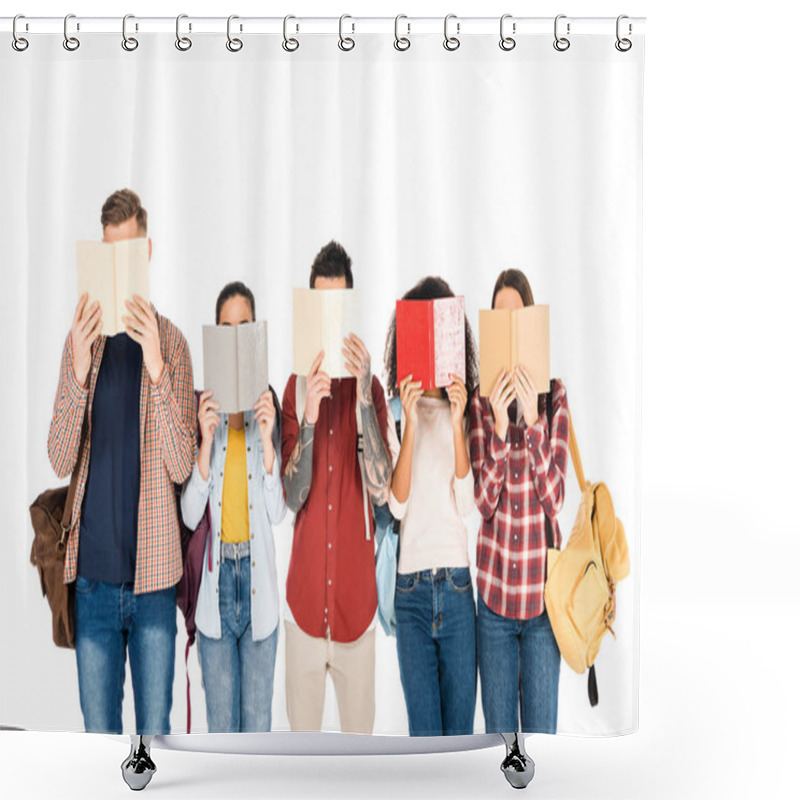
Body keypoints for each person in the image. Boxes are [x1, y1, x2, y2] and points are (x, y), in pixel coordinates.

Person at [47, 189, 196, 734]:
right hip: (92, 582)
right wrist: (79, 367)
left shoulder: (173, 345)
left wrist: (156, 366)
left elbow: (182, 466)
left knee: (154, 743)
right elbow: (59, 456)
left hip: (155, 583)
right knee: (97, 742)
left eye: (128, 252)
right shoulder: (81, 345)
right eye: (108, 253)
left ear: (147, 251)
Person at [281, 240, 392, 734]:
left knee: (360, 766)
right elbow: (291, 496)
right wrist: (307, 419)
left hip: (355, 609)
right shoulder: (292, 388)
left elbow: (383, 488)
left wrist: (366, 394)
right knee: (300, 763)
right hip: (303, 608)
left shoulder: (369, 391)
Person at [181, 282, 286, 732]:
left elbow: (279, 512)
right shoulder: (206, 409)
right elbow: (189, 515)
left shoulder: (270, 407)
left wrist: (267, 442)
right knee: (221, 733)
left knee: (257, 731)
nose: (236, 335)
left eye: (244, 326)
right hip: (215, 591)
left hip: (258, 589)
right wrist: (205, 444)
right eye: (227, 327)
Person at [468, 268, 569, 734]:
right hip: (493, 603)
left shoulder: (555, 397)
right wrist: (499, 423)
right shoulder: (478, 403)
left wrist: (531, 420)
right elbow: (484, 502)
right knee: (501, 747)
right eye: (500, 319)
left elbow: (555, 499)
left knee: (542, 741)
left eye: (517, 318)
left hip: (544, 605)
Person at [383, 276, 479, 736]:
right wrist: (412, 422)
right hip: (412, 595)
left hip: (458, 590)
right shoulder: (397, 414)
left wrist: (457, 423)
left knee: (459, 738)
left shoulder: (467, 412)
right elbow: (397, 506)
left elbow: (467, 502)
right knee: (424, 739)